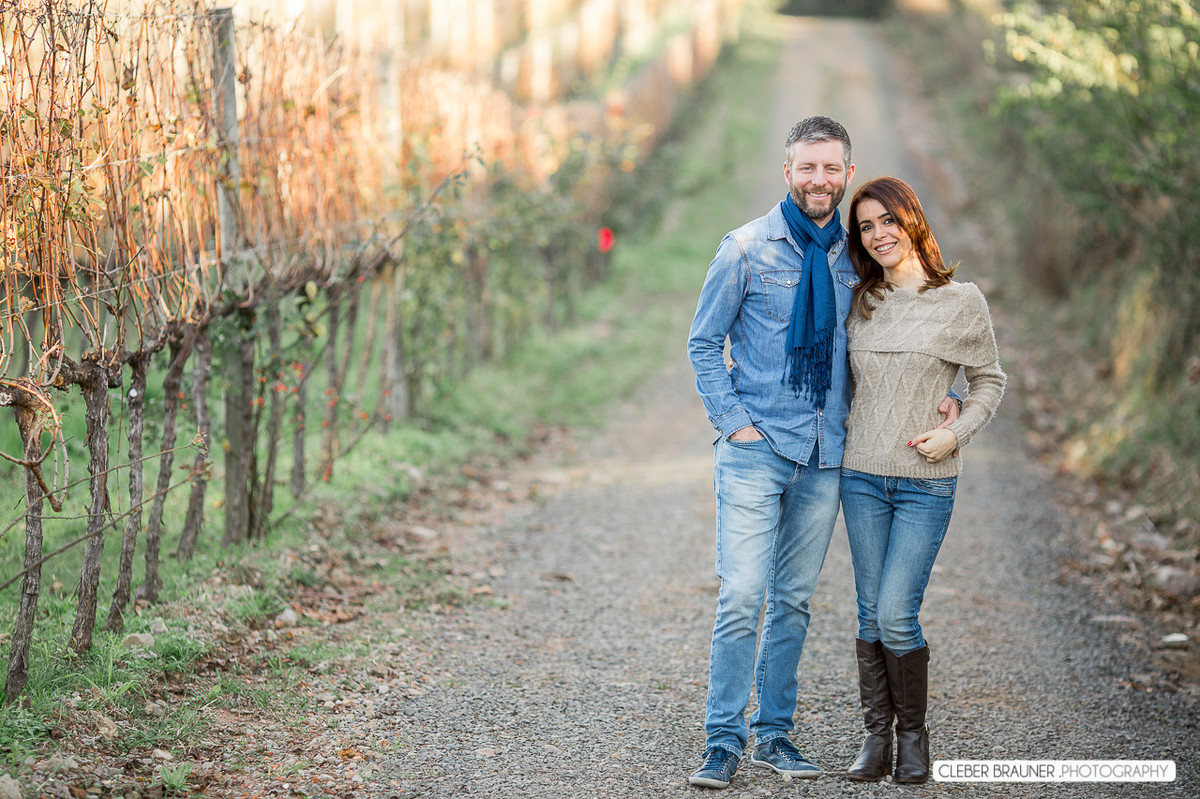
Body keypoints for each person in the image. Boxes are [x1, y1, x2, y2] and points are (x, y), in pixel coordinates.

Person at [685, 116, 959, 790]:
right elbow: (703, 343)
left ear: (846, 171)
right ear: (787, 172)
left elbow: (908, 316)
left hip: (826, 456)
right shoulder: (745, 249)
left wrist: (948, 387)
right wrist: (734, 424)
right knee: (743, 594)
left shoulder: (858, 253)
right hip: (757, 448)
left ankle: (775, 734)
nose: (819, 180)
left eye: (831, 168)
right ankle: (724, 740)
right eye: (807, 168)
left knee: (795, 602)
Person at [839, 175, 1005, 784]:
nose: (878, 234)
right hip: (860, 476)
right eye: (866, 226)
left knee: (895, 614)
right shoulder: (861, 301)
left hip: (924, 480)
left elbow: (990, 381)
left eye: (888, 220)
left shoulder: (961, 301)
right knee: (866, 612)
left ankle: (914, 738)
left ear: (912, 220)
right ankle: (875, 740)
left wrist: (956, 428)